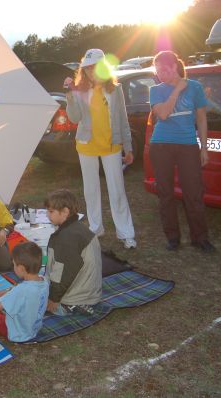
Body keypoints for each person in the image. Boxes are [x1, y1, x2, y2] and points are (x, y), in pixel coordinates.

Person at [64, 48, 137, 249]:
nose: (90, 72)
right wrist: (70, 96)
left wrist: (128, 147)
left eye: (94, 67)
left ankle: (126, 233)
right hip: (86, 146)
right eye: (86, 69)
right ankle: (96, 228)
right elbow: (75, 118)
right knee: (91, 190)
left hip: (111, 146)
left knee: (117, 190)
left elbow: (122, 120)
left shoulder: (115, 89)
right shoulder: (80, 90)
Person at [149, 51, 215, 253]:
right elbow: (163, 113)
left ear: (175, 67)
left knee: (193, 193)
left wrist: (204, 147)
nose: (161, 74)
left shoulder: (194, 88)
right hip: (161, 146)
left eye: (165, 69)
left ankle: (200, 238)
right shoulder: (155, 90)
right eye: (158, 70)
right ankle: (173, 238)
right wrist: (177, 89)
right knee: (165, 193)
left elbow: (202, 119)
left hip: (187, 145)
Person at [44, 189, 102, 316]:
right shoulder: (78, 227)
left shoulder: (66, 237)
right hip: (90, 291)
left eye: (51, 211)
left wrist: (53, 298)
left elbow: (64, 272)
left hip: (77, 297)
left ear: (65, 211)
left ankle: (71, 307)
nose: (47, 215)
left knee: (29, 304)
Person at [0, 241, 49, 342]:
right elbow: (26, 297)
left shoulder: (22, 290)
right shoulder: (43, 281)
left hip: (17, 334)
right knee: (1, 302)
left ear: (21, 269)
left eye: (14, 264)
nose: (13, 267)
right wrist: (8, 293)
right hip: (33, 329)